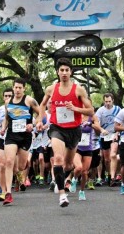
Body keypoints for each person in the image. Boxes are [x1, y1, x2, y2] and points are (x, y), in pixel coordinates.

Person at [36, 57, 94, 208]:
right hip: (57, 128)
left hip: (74, 130)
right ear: (57, 72)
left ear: (71, 72)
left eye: (67, 70)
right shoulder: (51, 89)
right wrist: (39, 120)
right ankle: (62, 194)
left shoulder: (78, 89)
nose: (64, 73)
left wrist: (76, 109)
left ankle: (61, 179)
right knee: (59, 158)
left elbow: (91, 110)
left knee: (69, 165)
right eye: (61, 70)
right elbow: (42, 105)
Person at [1, 78, 39, 206]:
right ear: (13, 88)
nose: (17, 90)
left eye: (20, 88)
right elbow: (7, 118)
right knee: (9, 161)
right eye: (15, 87)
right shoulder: (8, 102)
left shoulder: (29, 100)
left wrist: (33, 125)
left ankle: (19, 175)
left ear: (24, 88)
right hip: (11, 135)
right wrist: (3, 128)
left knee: (21, 167)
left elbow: (41, 114)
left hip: (25, 136)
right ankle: (7, 193)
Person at [0, 88, 14, 201]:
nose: (7, 98)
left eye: (10, 95)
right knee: (1, 165)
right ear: (3, 97)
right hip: (2, 139)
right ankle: (4, 191)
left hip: (15, 139)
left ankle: (16, 178)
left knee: (14, 165)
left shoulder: (18, 107)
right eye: (6, 96)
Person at [95, 93, 121, 187]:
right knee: (106, 159)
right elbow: (96, 122)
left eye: (109, 101)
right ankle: (108, 174)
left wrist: (117, 133)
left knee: (113, 154)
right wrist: (102, 130)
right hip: (104, 136)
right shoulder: (100, 110)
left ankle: (113, 177)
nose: (108, 103)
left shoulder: (118, 109)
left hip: (114, 134)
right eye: (106, 101)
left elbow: (121, 122)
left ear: (113, 100)